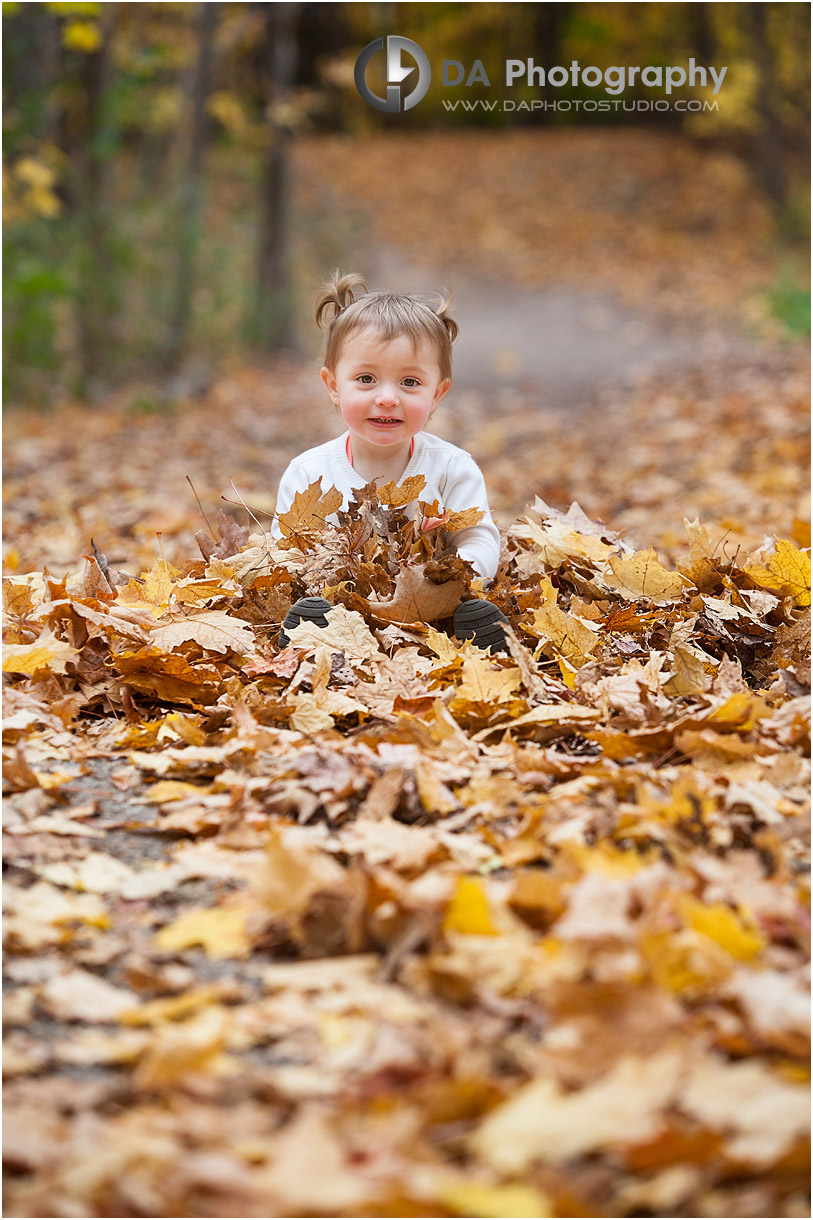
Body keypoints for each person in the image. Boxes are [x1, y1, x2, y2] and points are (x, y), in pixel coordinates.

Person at [272, 271, 509, 652]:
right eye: (366, 378)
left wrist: (455, 577)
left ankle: (477, 638)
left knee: (470, 611)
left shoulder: (452, 467)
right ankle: (313, 639)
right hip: (344, 607)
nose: (387, 397)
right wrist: (316, 581)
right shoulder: (308, 472)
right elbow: (287, 550)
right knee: (318, 612)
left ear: (437, 393)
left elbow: (477, 537)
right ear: (333, 385)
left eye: (410, 383)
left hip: (433, 609)